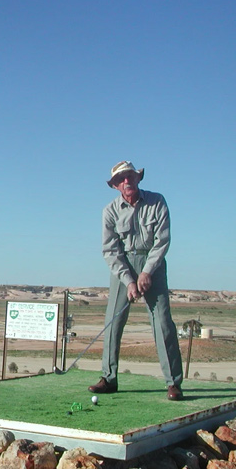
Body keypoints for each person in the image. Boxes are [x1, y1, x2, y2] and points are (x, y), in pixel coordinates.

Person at [89, 161, 184, 400]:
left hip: (153, 265)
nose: (127, 181)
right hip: (123, 266)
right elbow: (110, 251)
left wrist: (147, 272)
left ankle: (173, 383)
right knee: (113, 320)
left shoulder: (157, 201)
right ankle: (108, 378)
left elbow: (162, 241)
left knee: (162, 322)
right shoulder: (109, 211)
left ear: (138, 178)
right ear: (115, 185)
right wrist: (129, 280)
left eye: (130, 176)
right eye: (121, 179)